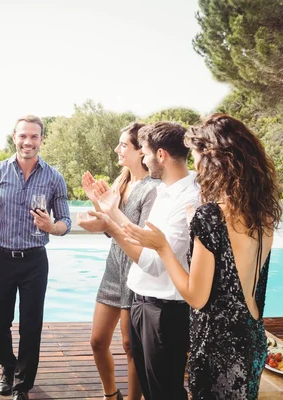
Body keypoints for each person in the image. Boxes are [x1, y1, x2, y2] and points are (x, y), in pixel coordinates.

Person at [122, 114, 282, 400]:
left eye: (196, 155)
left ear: (212, 159)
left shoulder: (210, 216)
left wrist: (162, 248)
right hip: (252, 338)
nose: (194, 164)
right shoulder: (264, 213)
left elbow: (196, 297)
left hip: (217, 348)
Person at [79, 121, 198, 400]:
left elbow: (154, 263)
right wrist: (112, 212)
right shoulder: (168, 191)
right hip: (142, 301)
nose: (143, 159)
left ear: (160, 155)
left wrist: (110, 226)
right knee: (151, 388)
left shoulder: (187, 199)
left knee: (165, 393)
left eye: (144, 152)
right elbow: (142, 237)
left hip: (163, 312)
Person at [0, 115, 72, 400]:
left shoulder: (54, 177)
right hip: (1, 257)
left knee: (31, 323)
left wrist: (51, 227)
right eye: (23, 136)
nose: (28, 142)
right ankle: (6, 367)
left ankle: (22, 385)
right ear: (14, 137)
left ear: (42, 139)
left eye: (34, 137)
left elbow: (66, 219)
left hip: (34, 261)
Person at [81, 122, 159, 400]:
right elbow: (109, 232)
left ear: (141, 152)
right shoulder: (121, 182)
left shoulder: (153, 189)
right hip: (114, 269)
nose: (117, 149)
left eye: (123, 144)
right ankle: (110, 394)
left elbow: (141, 239)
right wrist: (97, 204)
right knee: (97, 341)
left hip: (137, 272)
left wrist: (109, 213)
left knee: (129, 345)